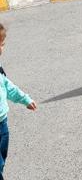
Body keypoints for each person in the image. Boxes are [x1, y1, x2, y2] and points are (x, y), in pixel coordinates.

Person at [0, 24, 37, 179]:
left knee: (2, 160)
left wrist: (24, 99)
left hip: (2, 124)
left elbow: (8, 86)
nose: (1, 48)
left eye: (2, 44)